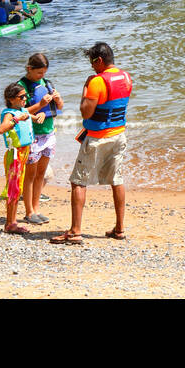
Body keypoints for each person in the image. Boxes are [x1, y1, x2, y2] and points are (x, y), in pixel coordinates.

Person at [51, 42, 131, 245]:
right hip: (119, 134)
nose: (92, 68)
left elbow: (86, 111)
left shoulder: (96, 81)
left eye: (92, 63)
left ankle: (75, 231)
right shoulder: (126, 77)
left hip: (97, 137)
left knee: (79, 181)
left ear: (100, 61)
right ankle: (120, 229)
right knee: (116, 179)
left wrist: (86, 87)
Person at [18, 52, 63, 225]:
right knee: (30, 175)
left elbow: (59, 107)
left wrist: (58, 100)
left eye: (44, 72)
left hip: (49, 133)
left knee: (41, 175)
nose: (42, 76)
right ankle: (29, 212)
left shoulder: (47, 83)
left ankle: (36, 209)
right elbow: (19, 112)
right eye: (39, 73)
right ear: (29, 69)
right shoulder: (21, 87)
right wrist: (40, 106)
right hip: (33, 136)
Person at [0, 83, 44, 235]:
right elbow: (2, 129)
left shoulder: (23, 110)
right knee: (14, 189)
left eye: (26, 96)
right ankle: (10, 223)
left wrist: (40, 116)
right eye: (22, 97)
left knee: (18, 188)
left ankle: (11, 222)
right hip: (15, 154)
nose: (26, 99)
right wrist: (17, 120)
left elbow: (35, 118)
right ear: (11, 99)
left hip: (24, 153)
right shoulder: (10, 114)